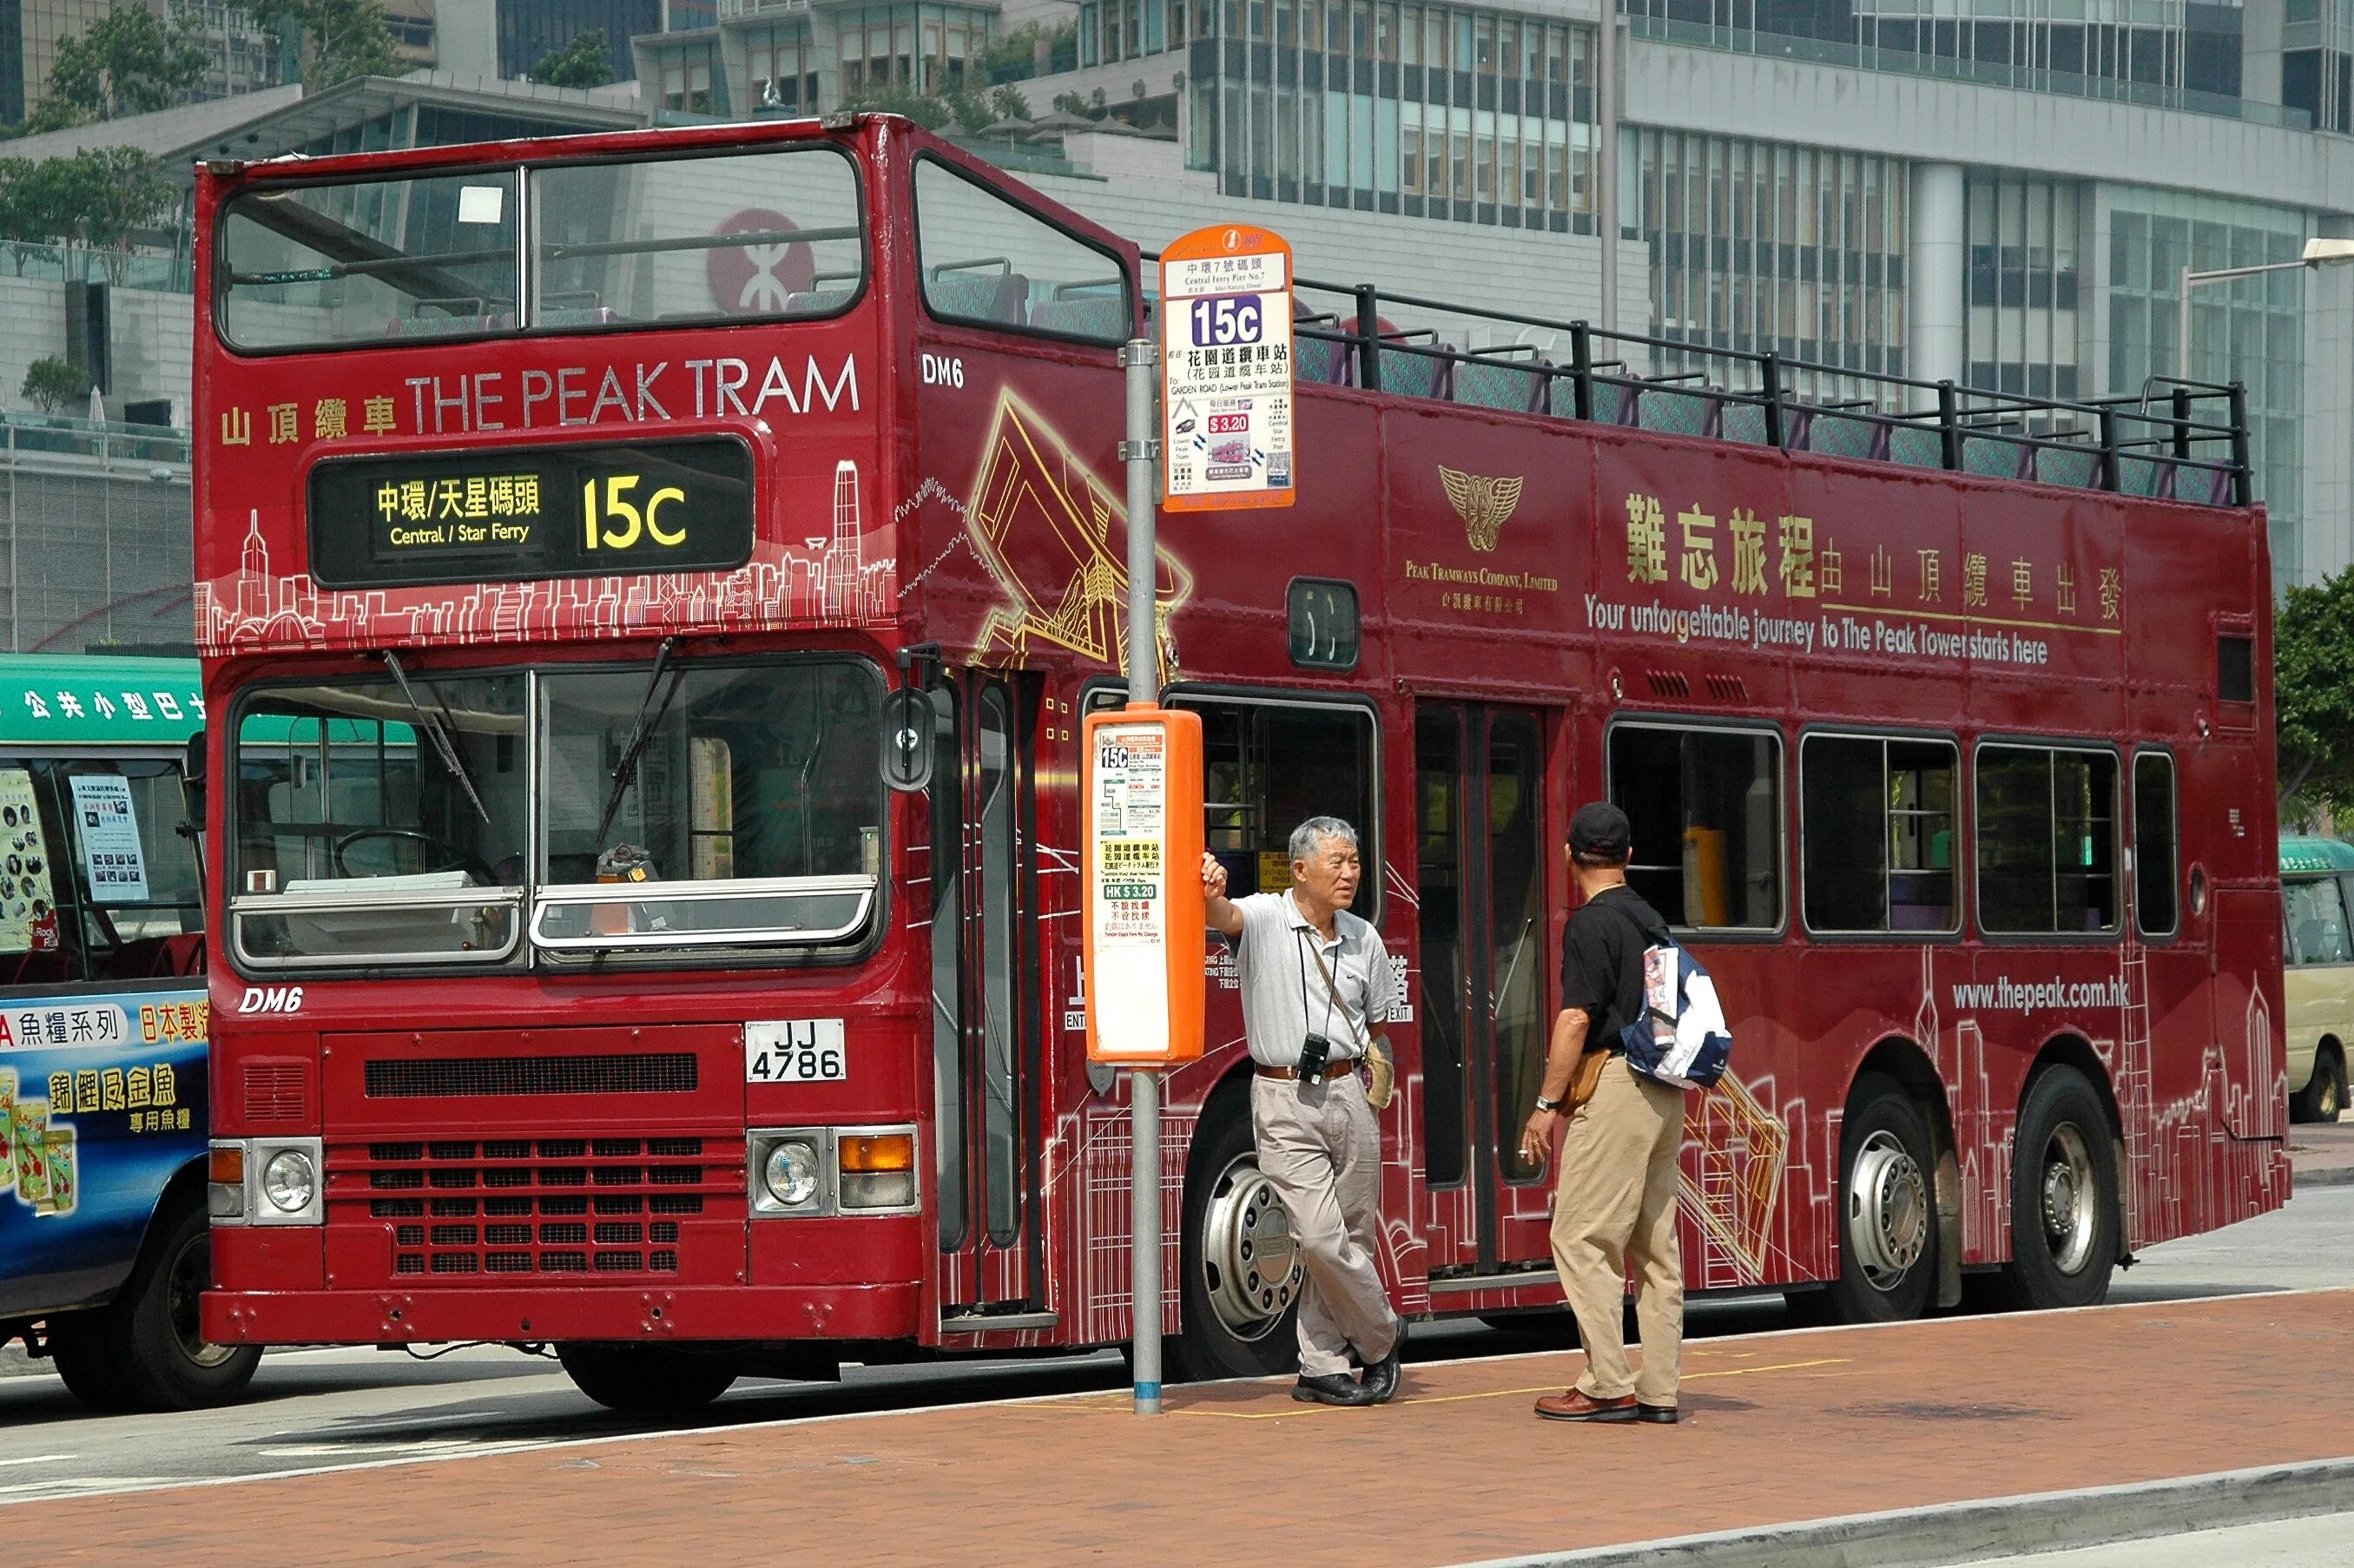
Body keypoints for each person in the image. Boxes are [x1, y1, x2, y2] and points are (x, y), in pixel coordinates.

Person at [1201, 816, 1405, 1407]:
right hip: (1283, 1095)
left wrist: (1374, 1093)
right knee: (1317, 1238)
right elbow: (1222, 918)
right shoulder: (1264, 918)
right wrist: (1210, 891)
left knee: (1353, 1237)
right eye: (1337, 862)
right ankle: (1382, 1334)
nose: (1349, 873)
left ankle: (1320, 1364)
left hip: (1349, 1093)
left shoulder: (1365, 937)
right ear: (1300, 870)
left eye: (1355, 862)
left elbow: (1380, 1026)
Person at [1520, 800, 1687, 1424]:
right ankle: (1659, 1389)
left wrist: (1544, 1105)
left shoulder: (1589, 924)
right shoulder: (1651, 919)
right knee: (1653, 1248)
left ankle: (1606, 1381)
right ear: (1628, 857)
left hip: (1614, 1085)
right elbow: (1667, 1013)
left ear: (1569, 857)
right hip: (1663, 1086)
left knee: (1579, 1236)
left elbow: (1574, 1018)